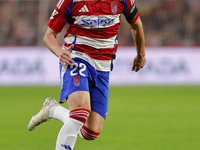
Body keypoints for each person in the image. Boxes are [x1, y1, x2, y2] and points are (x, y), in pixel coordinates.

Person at [27, 0, 146, 149]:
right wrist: (59, 52)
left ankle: (52, 109)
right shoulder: (70, 1)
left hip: (103, 66)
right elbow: (49, 36)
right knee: (80, 112)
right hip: (76, 58)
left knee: (90, 132)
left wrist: (141, 54)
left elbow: (136, 24)